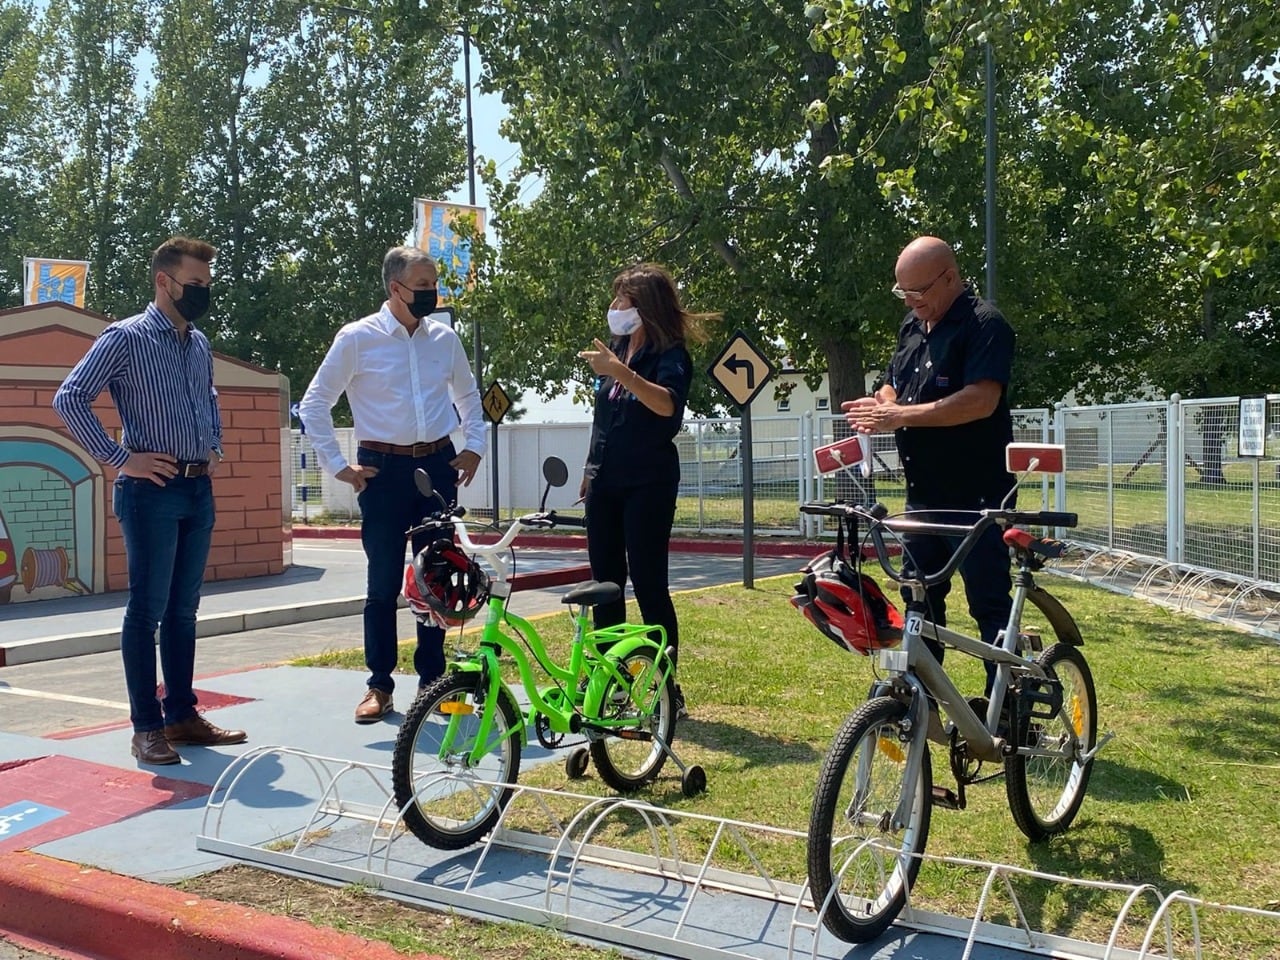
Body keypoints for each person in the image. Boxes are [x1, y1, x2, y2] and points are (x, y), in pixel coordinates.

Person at [53, 236, 245, 765]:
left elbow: (205, 397)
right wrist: (119, 457)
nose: (203, 292)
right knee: (147, 611)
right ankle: (146, 727)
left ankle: (181, 715)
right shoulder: (127, 337)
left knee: (185, 610)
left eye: (207, 284)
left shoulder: (198, 343)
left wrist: (214, 444)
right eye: (195, 283)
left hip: (197, 487)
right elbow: (69, 397)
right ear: (164, 281)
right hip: (149, 490)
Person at [298, 246, 485, 724]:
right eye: (423, 286)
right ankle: (379, 684)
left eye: (434, 285)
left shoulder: (444, 339)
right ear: (395, 288)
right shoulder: (357, 338)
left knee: (437, 581)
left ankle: (434, 684)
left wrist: (474, 445)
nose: (432, 294)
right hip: (381, 470)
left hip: (439, 467)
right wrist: (340, 465)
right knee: (382, 584)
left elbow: (468, 394)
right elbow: (315, 402)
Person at [843, 236, 1016, 677]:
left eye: (919, 291)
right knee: (917, 599)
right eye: (903, 292)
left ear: (951, 277)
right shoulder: (912, 326)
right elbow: (892, 383)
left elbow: (979, 400)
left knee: (988, 605)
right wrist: (882, 406)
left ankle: (1007, 715)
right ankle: (920, 708)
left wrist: (899, 415)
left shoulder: (985, 324)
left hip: (977, 499)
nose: (911, 301)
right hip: (923, 497)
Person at [578, 263, 706, 718]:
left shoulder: (669, 354)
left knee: (650, 584)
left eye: (623, 301)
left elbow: (666, 405)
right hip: (607, 480)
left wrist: (621, 372)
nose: (614, 309)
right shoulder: (615, 349)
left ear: (645, 308)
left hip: (648, 481)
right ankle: (611, 682)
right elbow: (603, 417)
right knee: (606, 585)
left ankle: (665, 689)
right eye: (614, 300)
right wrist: (591, 468)